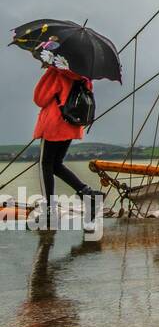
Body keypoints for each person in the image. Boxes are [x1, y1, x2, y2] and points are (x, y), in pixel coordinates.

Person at [32, 65, 98, 225]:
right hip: (72, 125)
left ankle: (49, 211)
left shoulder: (56, 72)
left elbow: (39, 99)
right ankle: (88, 194)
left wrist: (49, 70)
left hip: (54, 124)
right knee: (55, 165)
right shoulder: (85, 75)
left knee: (46, 165)